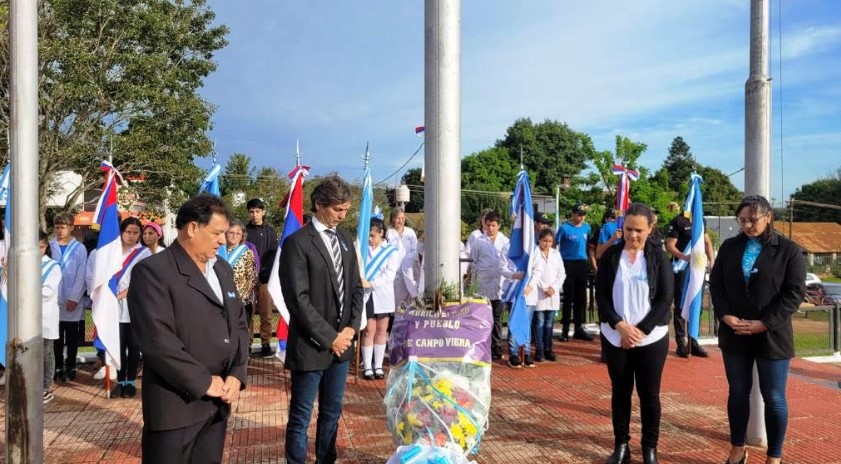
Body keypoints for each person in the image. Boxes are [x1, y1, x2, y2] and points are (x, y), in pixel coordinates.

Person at [128, 193, 249, 464]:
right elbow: (157, 340)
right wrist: (204, 381)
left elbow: (239, 325)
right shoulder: (153, 271)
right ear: (192, 228)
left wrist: (237, 374)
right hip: (176, 407)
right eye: (217, 233)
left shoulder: (222, 270)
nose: (223, 240)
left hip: (217, 404)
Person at [709, 195, 805, 464]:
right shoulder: (729, 247)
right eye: (743, 220)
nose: (748, 225)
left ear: (768, 217)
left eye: (753, 219)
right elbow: (716, 286)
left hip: (771, 335)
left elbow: (794, 294)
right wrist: (726, 315)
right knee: (737, 393)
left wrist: (765, 323)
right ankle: (737, 449)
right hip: (735, 332)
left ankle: (774, 457)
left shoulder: (789, 250)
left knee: (773, 397)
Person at [279, 174, 364, 464]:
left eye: (346, 210)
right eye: (337, 209)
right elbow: (298, 300)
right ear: (319, 204)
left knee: (332, 412)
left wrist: (351, 327)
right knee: (301, 416)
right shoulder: (298, 243)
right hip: (312, 345)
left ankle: (325, 459)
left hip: (341, 347)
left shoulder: (344, 239)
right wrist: (330, 338)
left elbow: (355, 286)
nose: (342, 216)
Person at [596, 203, 673, 464]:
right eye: (628, 229)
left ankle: (649, 449)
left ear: (650, 229)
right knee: (620, 392)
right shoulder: (610, 257)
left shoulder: (659, 258)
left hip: (650, 338)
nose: (633, 235)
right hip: (615, 335)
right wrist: (620, 325)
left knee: (649, 395)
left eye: (639, 230)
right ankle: (621, 447)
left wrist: (640, 330)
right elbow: (602, 296)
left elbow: (665, 298)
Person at [103, 217, 152, 398]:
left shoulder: (143, 253)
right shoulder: (111, 251)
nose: (131, 236)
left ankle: (130, 381)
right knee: (118, 344)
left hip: (132, 305)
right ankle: (120, 380)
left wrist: (121, 295)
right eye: (128, 232)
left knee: (133, 345)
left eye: (135, 233)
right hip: (112, 306)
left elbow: (141, 281)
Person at [666, 206, 715, 358]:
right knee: (681, 304)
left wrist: (712, 262)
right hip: (682, 269)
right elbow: (670, 246)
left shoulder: (701, 220)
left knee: (696, 304)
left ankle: (693, 341)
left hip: (698, 269)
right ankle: (681, 342)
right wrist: (684, 257)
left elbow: (707, 242)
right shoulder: (678, 221)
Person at [468, 210, 517, 361]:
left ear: (499, 226)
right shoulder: (478, 241)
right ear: (484, 225)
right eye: (488, 225)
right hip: (483, 283)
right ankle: (484, 346)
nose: (490, 228)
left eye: (493, 225)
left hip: (500, 284)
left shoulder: (506, 242)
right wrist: (471, 280)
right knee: (483, 318)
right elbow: (473, 262)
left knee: (497, 317)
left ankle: (496, 346)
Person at [49, 213, 88, 382]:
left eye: (63, 227)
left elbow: (82, 274)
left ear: (71, 227)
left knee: (72, 337)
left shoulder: (79, 248)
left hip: (73, 300)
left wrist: (74, 297)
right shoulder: (49, 246)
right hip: (53, 299)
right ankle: (57, 366)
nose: (60, 230)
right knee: (56, 338)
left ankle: (71, 366)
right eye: (57, 227)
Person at [360, 216, 399, 380]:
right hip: (367, 296)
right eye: (368, 235)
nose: (370, 239)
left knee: (382, 330)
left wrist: (372, 283)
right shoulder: (362, 248)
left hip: (383, 295)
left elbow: (390, 274)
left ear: (381, 233)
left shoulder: (391, 251)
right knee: (369, 330)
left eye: (372, 235)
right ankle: (367, 366)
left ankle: (378, 366)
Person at [555, 203, 594, 341]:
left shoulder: (587, 227)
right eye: (578, 214)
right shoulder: (565, 228)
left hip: (582, 264)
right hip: (568, 263)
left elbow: (588, 244)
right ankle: (565, 330)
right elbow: (555, 244)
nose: (581, 217)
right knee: (568, 298)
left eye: (583, 214)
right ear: (573, 214)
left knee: (581, 298)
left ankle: (578, 328)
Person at [245, 197, 278, 357]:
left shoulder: (270, 231)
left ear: (263, 212)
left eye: (257, 211)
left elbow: (273, 254)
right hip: (248, 280)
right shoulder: (244, 231)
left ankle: (266, 343)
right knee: (248, 313)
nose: (254, 215)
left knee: (266, 313)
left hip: (265, 278)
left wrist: (266, 272)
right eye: (251, 212)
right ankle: (248, 344)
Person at [530, 228, 566, 362]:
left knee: (550, 323)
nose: (547, 244)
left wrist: (554, 287)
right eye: (544, 241)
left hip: (553, 293)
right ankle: (539, 349)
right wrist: (544, 287)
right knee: (539, 322)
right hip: (539, 293)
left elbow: (561, 273)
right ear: (539, 240)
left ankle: (548, 349)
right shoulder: (535, 253)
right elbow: (534, 273)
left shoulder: (556, 254)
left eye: (550, 241)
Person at [39, 231, 63, 404]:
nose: (37, 250)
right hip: (26, 316)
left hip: (45, 314)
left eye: (40, 246)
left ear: (46, 246)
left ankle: (46, 387)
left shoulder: (52, 266)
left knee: (46, 352)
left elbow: (47, 292)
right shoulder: (23, 264)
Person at [224, 219, 259, 316]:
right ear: (225, 233)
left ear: (242, 236)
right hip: (220, 300)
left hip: (240, 302)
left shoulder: (247, 252)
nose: (234, 236)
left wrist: (241, 298)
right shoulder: (217, 250)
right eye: (231, 232)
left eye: (238, 233)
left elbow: (252, 278)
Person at [386, 206, 418, 307]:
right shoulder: (388, 233)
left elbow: (415, 250)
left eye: (402, 218)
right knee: (396, 303)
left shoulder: (410, 232)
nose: (400, 221)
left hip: (409, 272)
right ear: (393, 219)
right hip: (395, 274)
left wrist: (408, 263)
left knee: (410, 302)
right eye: (398, 218)